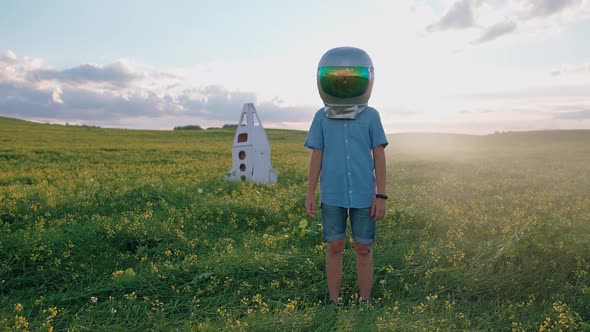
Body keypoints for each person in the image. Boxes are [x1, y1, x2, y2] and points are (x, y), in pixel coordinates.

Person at [304, 46, 388, 304]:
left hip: (364, 194)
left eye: (351, 77)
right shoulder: (321, 117)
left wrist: (381, 195)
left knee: (363, 248)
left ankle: (365, 301)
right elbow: (316, 156)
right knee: (334, 246)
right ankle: (333, 300)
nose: (343, 82)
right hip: (332, 195)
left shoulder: (372, 116)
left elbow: (379, 157)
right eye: (336, 77)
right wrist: (310, 193)